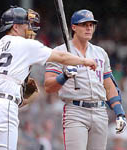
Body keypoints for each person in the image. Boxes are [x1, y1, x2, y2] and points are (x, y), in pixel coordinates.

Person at [0, 6, 97, 150]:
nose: (29, 28)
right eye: (26, 24)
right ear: (15, 27)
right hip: (4, 107)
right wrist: (84, 61)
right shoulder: (24, 44)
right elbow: (60, 56)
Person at [44, 9, 127, 150]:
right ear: (74, 27)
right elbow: (48, 86)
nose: (89, 28)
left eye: (91, 24)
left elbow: (109, 86)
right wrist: (64, 76)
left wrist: (120, 113)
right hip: (76, 111)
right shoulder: (60, 52)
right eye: (84, 24)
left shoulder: (101, 53)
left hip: (100, 111)